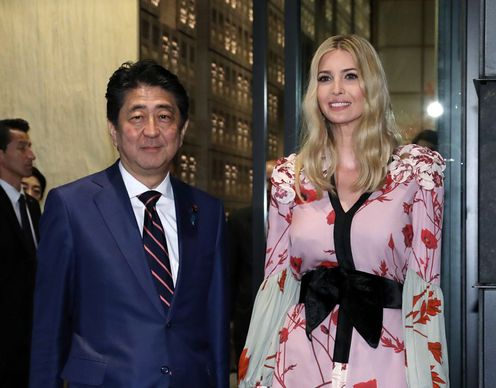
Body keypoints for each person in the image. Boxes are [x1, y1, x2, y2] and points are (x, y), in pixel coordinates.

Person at [238, 35, 449, 387]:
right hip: (301, 355)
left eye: (350, 76)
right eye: (325, 78)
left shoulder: (417, 171)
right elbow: (276, 284)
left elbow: (425, 288)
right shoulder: (291, 177)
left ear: (372, 85)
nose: (337, 89)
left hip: (386, 355)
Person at [29, 60, 229, 388]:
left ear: (182, 130)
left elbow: (217, 324)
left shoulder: (207, 212)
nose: (152, 130)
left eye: (165, 116)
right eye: (136, 117)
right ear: (114, 130)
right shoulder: (71, 207)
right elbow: (48, 330)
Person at [0, 118, 40, 388]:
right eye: (22, 147)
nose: (31, 155)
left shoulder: (31, 206)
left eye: (30, 146)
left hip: (32, 338)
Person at [228, 160, 276, 368]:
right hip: (248, 317)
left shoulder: (301, 220)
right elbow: (230, 273)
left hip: (285, 315)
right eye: (267, 181)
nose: (273, 186)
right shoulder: (239, 220)